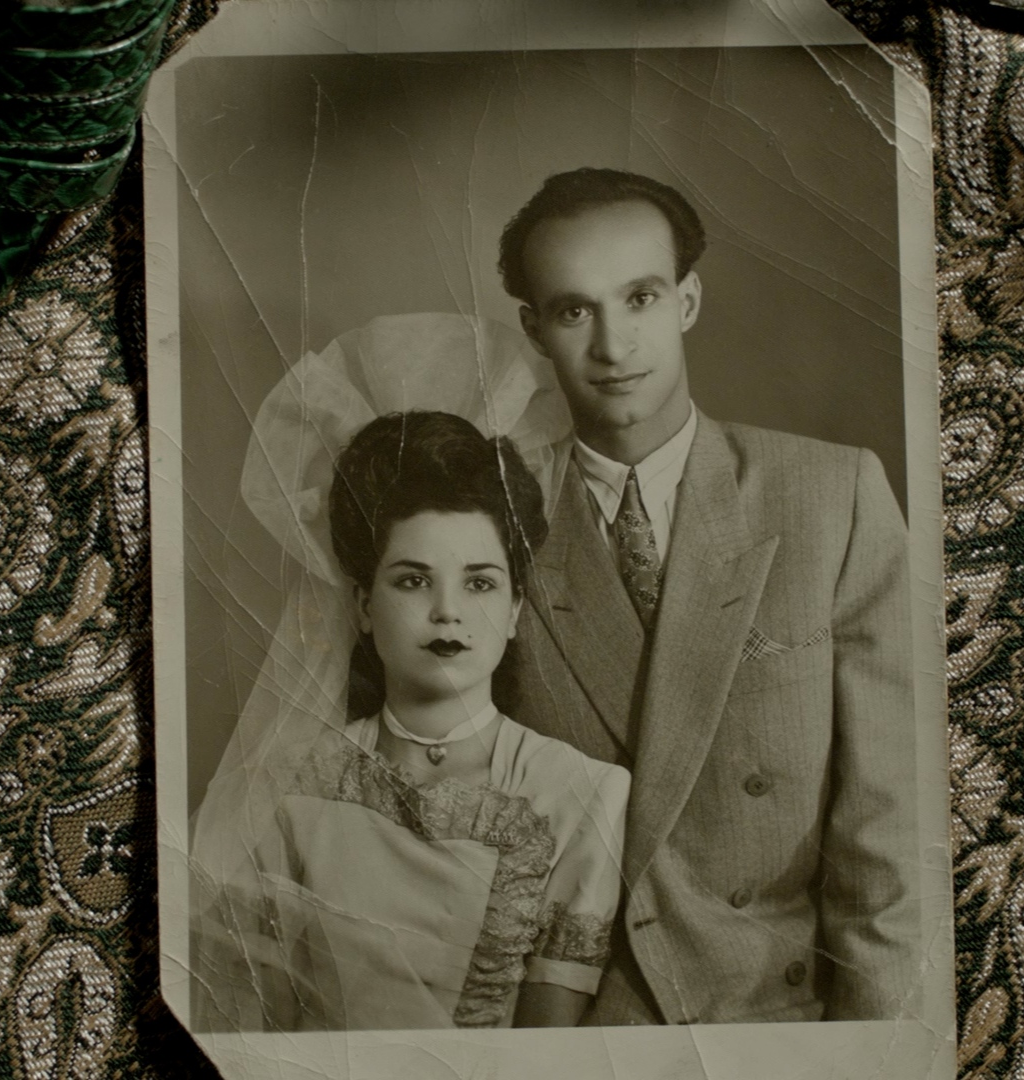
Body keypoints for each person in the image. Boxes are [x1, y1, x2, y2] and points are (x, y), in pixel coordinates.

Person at [495, 167, 918, 1025]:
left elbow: (888, 837)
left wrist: (872, 1054)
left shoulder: (830, 496)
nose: (614, 346)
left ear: (686, 302)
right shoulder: (494, 525)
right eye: (575, 311)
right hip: (580, 1030)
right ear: (533, 329)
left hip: (781, 1021)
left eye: (640, 298)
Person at [194, 403, 629, 1032]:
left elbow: (547, 1050)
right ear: (364, 607)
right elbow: (267, 1026)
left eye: (479, 583)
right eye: (412, 581)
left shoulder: (581, 793)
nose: (447, 611)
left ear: (514, 610)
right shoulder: (292, 783)